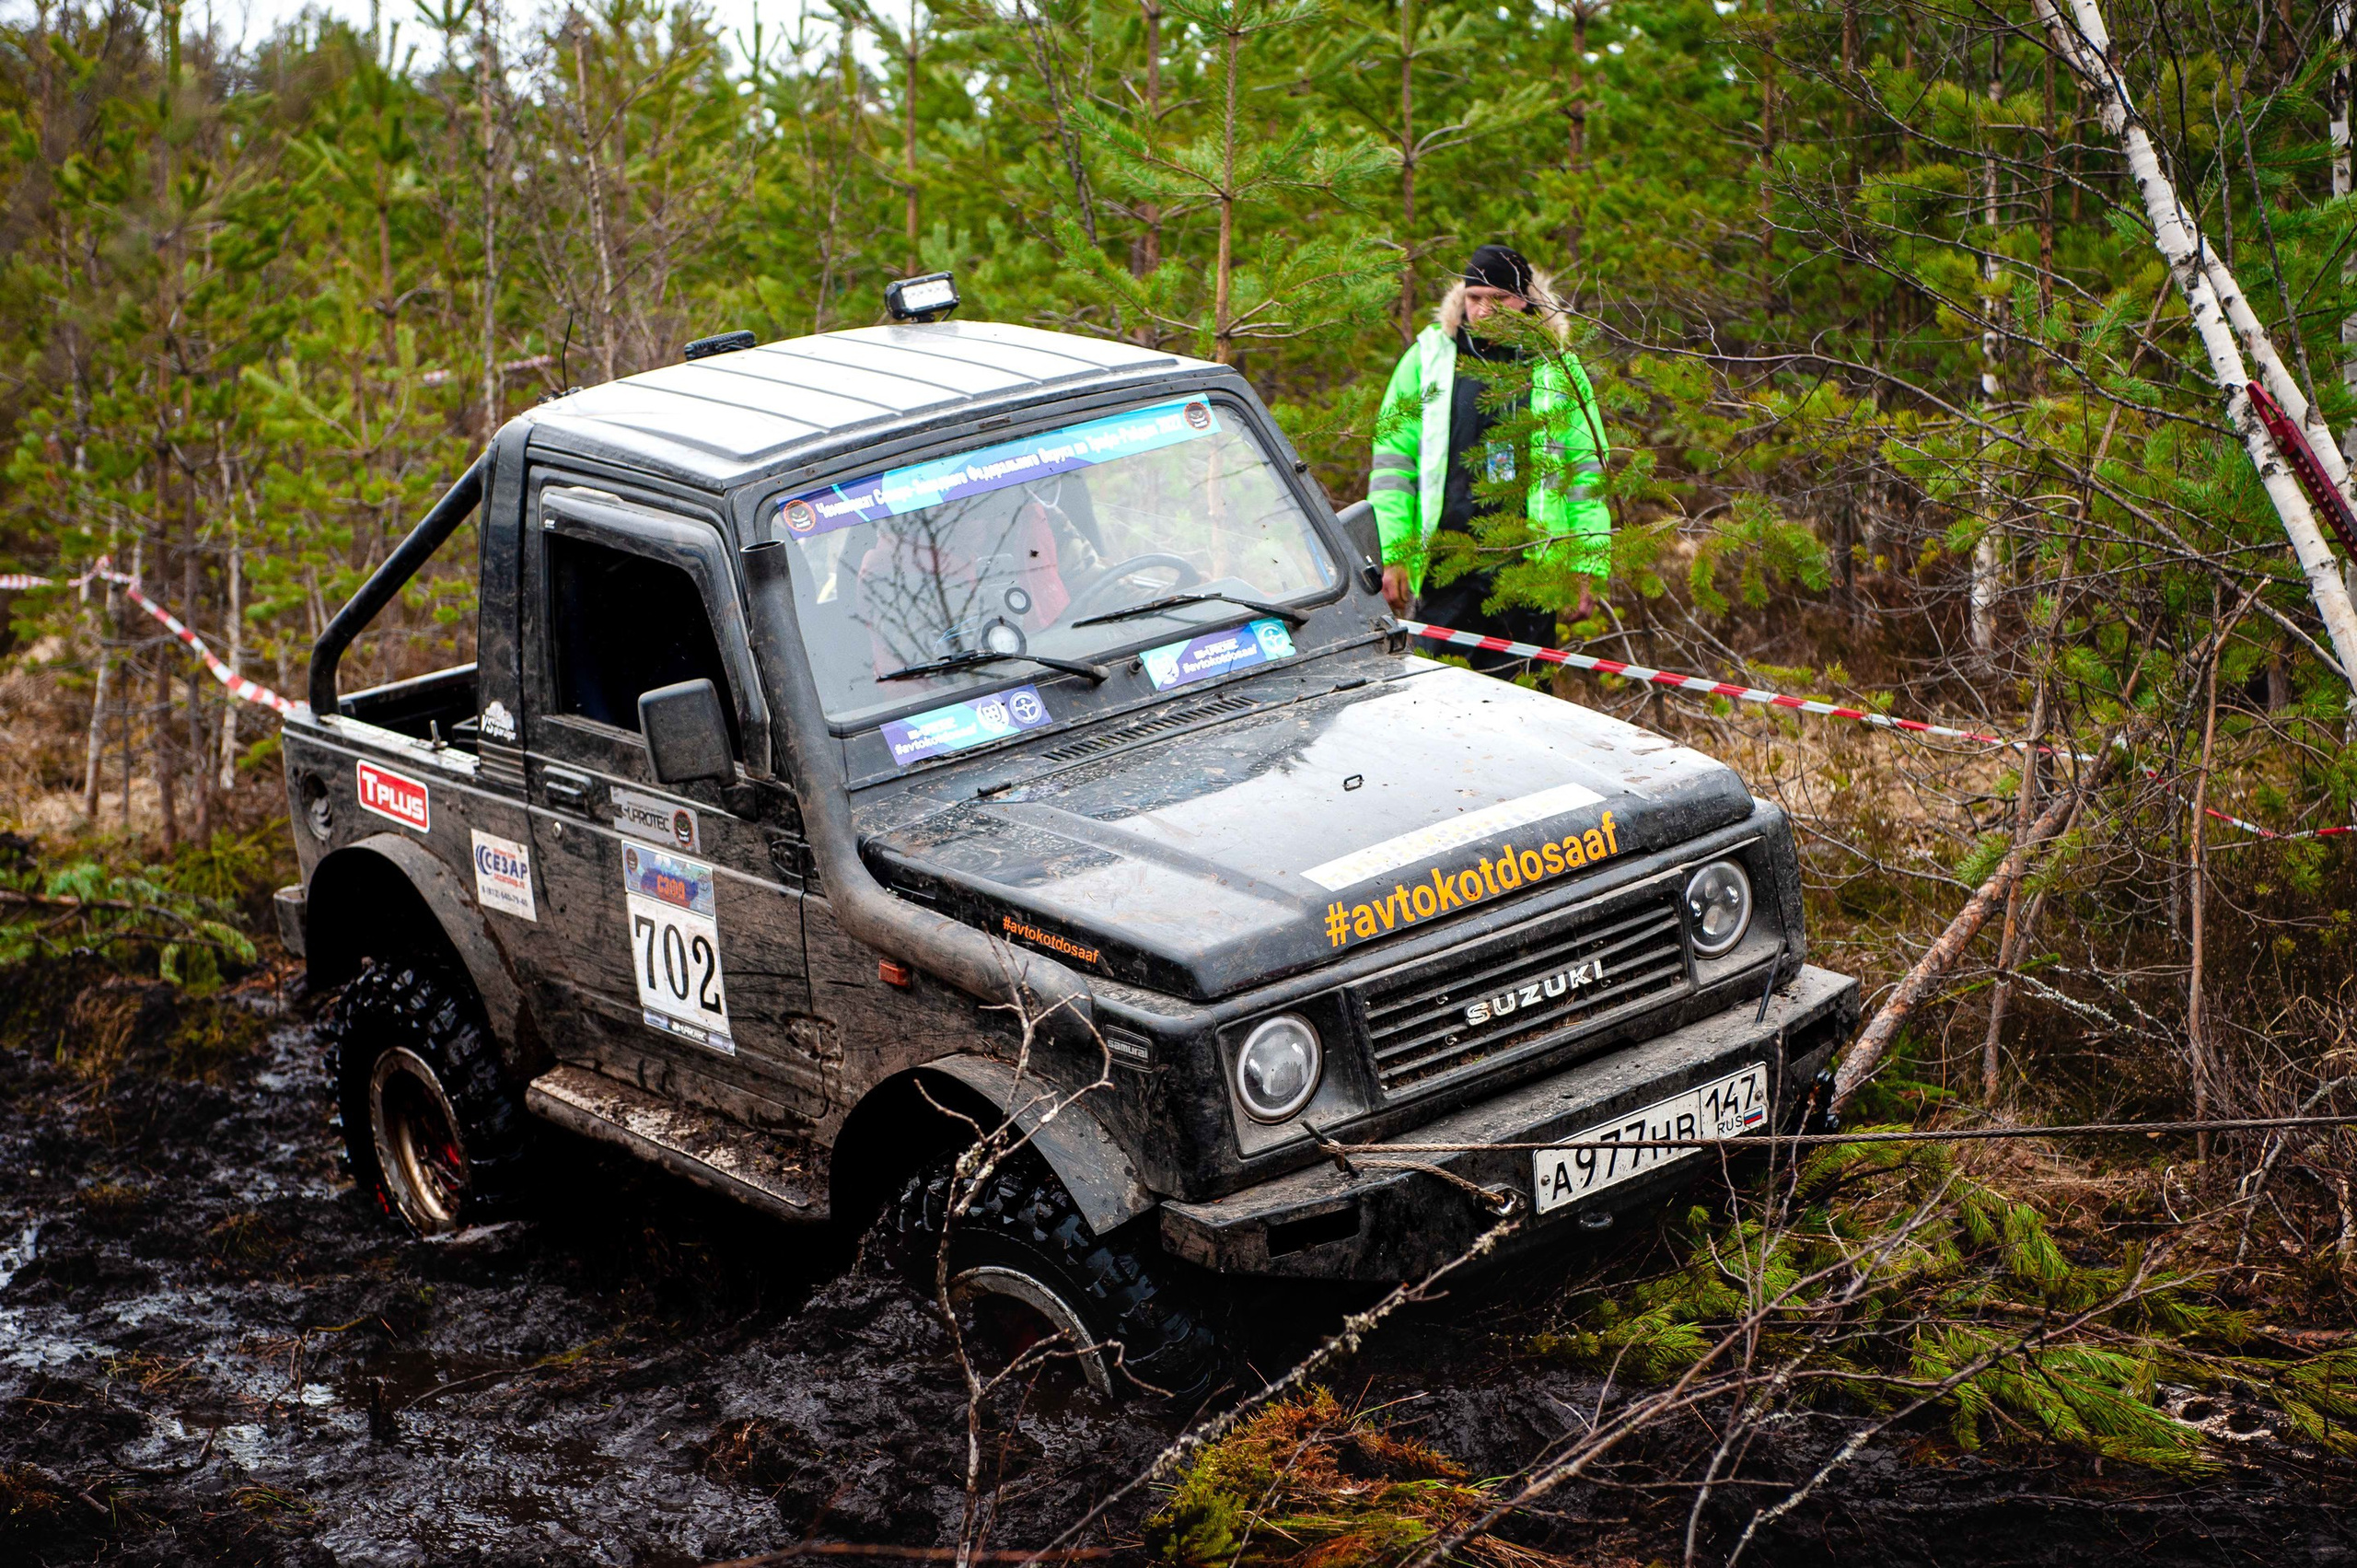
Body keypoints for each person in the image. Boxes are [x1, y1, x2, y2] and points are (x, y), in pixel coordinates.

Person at [1366, 243, 1611, 674]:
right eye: (1474, 298)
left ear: (1526, 300)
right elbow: (1392, 466)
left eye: (1499, 299)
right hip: (1446, 568)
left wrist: (1584, 566)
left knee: (1525, 705)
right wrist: (1394, 553)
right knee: (1436, 703)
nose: (1484, 311)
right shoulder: (1429, 359)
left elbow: (1587, 474)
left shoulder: (1558, 368)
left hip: (1529, 568)